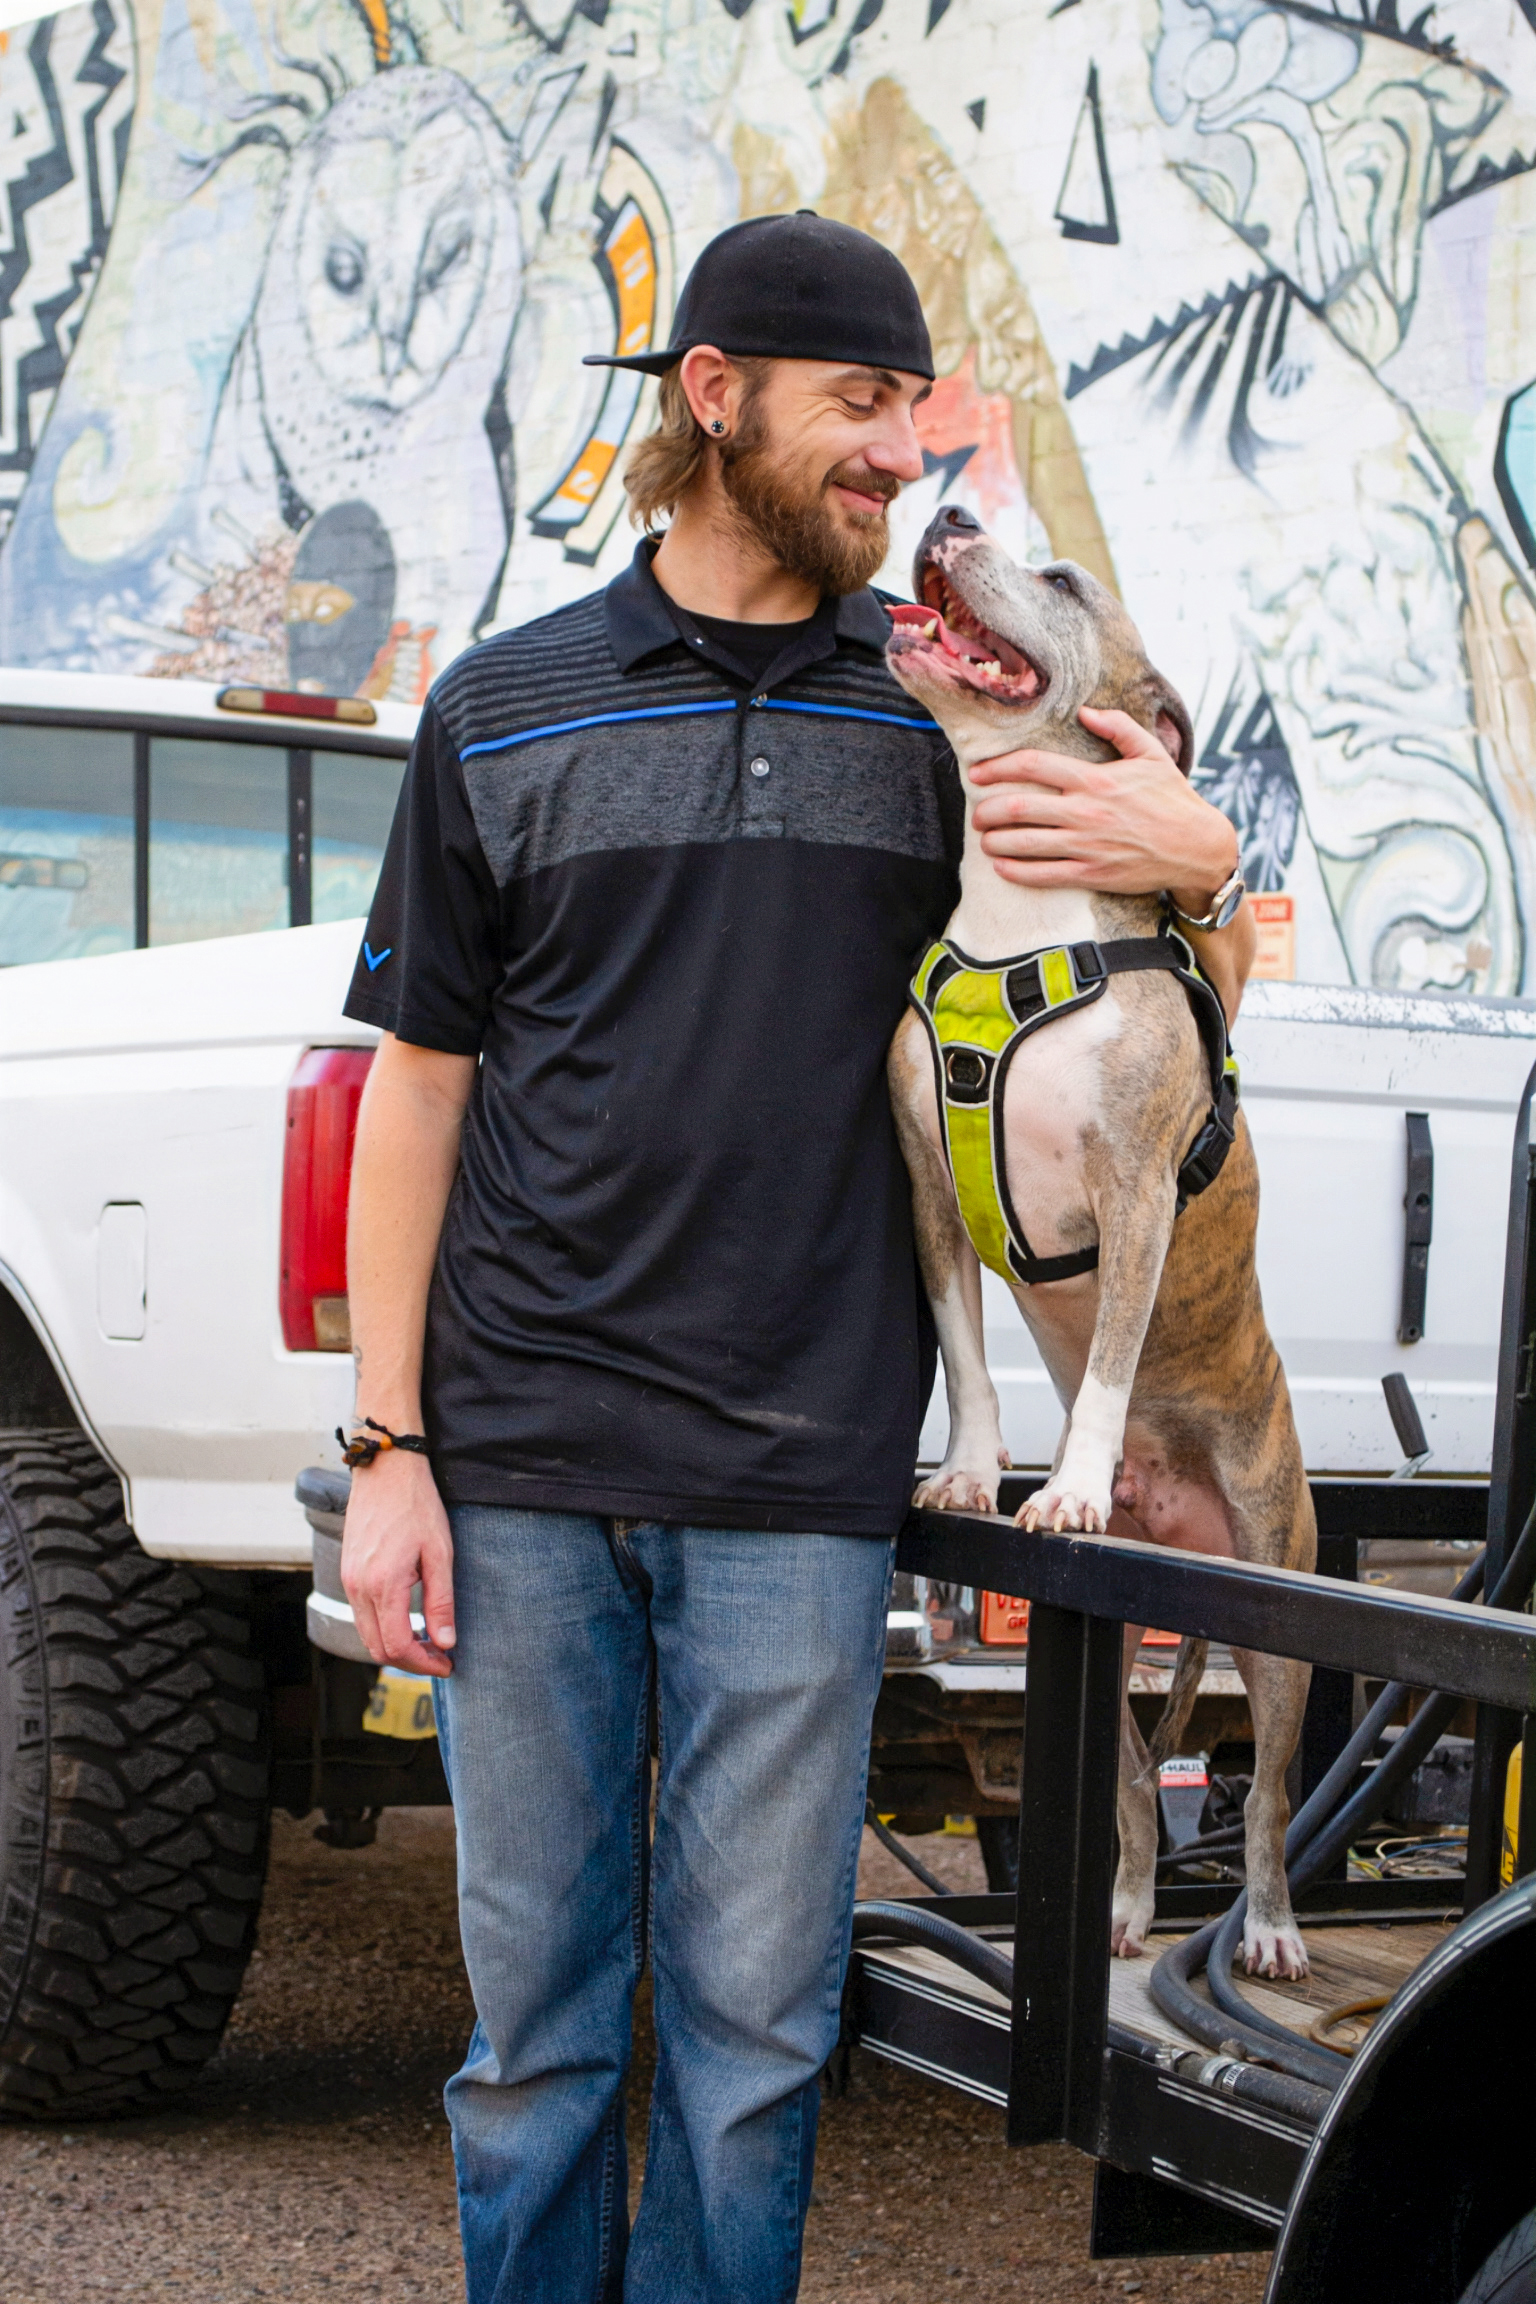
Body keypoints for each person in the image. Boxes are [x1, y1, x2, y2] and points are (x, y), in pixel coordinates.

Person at [338, 210, 1252, 2304]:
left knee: (757, 2047)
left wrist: (1211, 857)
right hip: (527, 1462)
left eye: (911, 426)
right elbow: (419, 1090)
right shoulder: (502, 708)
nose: (890, 468)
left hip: (801, 1484)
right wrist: (389, 1444)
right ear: (715, 396)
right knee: (533, 2045)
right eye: (858, 413)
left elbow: (1145, 981)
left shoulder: (930, 724)